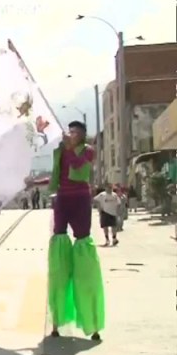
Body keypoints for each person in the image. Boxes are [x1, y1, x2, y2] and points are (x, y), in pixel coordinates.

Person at [47, 121, 105, 341]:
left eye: (75, 132)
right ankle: (57, 318)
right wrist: (35, 181)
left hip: (80, 200)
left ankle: (91, 320)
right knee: (59, 251)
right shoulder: (60, 151)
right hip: (62, 200)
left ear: (82, 135)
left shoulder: (88, 151)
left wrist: (69, 148)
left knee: (82, 249)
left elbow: (79, 171)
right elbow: (57, 176)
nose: (71, 134)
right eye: (69, 131)